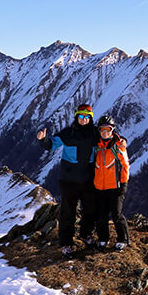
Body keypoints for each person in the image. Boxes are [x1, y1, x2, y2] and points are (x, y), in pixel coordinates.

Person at [37, 104, 98, 256]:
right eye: (81, 117)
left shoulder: (95, 134)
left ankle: (86, 234)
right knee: (68, 213)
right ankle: (66, 243)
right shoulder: (68, 133)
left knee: (90, 210)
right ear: (76, 117)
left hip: (88, 179)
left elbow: (109, 140)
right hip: (69, 180)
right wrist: (43, 140)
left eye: (86, 117)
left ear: (90, 119)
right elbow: (52, 144)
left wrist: (120, 140)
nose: (83, 120)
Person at [91, 115, 130, 251]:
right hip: (100, 187)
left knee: (116, 214)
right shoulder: (97, 147)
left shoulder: (118, 146)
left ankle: (123, 239)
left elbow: (125, 165)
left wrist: (123, 184)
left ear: (113, 130)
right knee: (101, 215)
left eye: (108, 129)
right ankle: (103, 239)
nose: (105, 132)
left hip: (116, 186)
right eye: (102, 129)